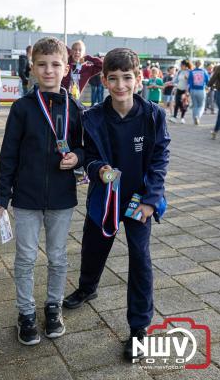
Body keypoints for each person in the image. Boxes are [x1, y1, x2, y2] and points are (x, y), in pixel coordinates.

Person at [63, 48, 170, 361]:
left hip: (140, 200)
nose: (121, 84)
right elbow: (89, 155)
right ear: (104, 81)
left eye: (127, 77)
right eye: (114, 78)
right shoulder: (92, 117)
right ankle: (87, 287)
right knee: (93, 247)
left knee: (140, 258)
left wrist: (151, 199)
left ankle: (139, 327)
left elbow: (161, 159)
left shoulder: (154, 115)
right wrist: (98, 169)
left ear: (139, 79)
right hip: (105, 197)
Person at [0, 37, 84, 345]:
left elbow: (87, 147)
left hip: (62, 198)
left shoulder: (75, 108)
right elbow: (9, 153)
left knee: (58, 258)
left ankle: (53, 307)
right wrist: (1, 196)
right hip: (27, 199)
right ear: (32, 68)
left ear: (66, 69)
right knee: (26, 257)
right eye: (42, 65)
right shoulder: (21, 108)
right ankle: (26, 313)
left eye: (55, 65)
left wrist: (78, 157)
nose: (48, 70)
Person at [169, 59, 192, 123]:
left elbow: (191, 82)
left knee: (184, 104)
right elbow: (175, 80)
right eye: (180, 65)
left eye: (182, 65)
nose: (181, 66)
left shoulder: (190, 72)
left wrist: (187, 79)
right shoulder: (179, 72)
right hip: (179, 89)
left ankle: (182, 117)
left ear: (185, 65)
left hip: (185, 91)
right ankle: (174, 117)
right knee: (177, 103)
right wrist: (169, 83)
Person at [188, 60, 209, 125]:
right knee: (201, 105)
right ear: (201, 64)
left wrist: (188, 91)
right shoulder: (204, 71)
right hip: (201, 90)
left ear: (195, 64)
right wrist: (207, 87)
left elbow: (189, 82)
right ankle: (198, 116)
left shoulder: (192, 71)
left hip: (193, 90)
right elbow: (208, 80)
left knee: (195, 105)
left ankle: (195, 117)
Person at [208, 64, 220, 139]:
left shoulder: (219, 67)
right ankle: (215, 131)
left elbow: (212, 80)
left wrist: (209, 85)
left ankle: (215, 131)